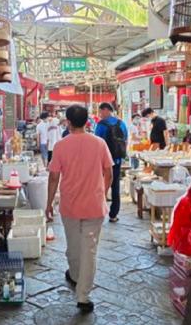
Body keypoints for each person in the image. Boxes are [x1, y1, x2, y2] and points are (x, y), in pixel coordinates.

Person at [46, 104, 113, 314]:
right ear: (87, 122)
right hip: (94, 205)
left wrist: (49, 202)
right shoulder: (99, 143)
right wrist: (103, 191)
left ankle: (75, 276)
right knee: (89, 250)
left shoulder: (60, 146)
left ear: (67, 121)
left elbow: (54, 176)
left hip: (70, 205)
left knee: (73, 247)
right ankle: (83, 295)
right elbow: (109, 172)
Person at [94, 102, 128, 223]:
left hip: (104, 161)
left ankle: (99, 211)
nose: (100, 114)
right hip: (117, 160)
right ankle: (113, 214)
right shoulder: (121, 123)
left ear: (106, 110)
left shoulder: (101, 125)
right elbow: (125, 140)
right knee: (115, 186)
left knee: (101, 185)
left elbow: (96, 142)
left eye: (100, 111)